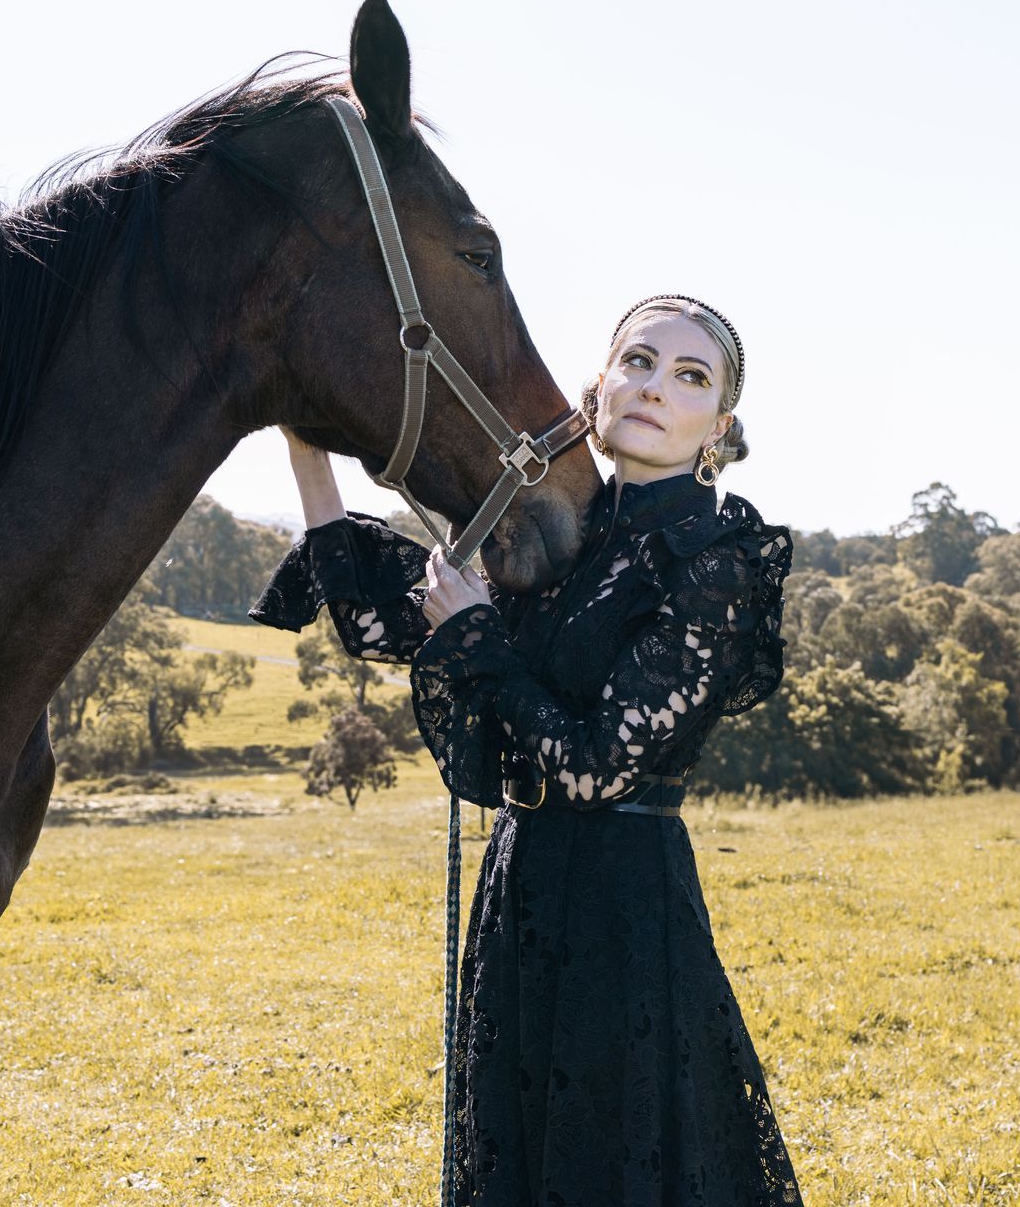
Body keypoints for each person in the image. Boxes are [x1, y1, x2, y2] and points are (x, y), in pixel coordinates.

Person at [251, 294, 804, 1205]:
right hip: (522, 891)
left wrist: (479, 638)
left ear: (721, 427)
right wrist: (306, 446)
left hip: (625, 906)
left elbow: (595, 765)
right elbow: (378, 615)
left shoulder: (716, 558)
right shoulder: (549, 537)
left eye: (689, 377)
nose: (655, 388)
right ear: (593, 394)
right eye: (637, 363)